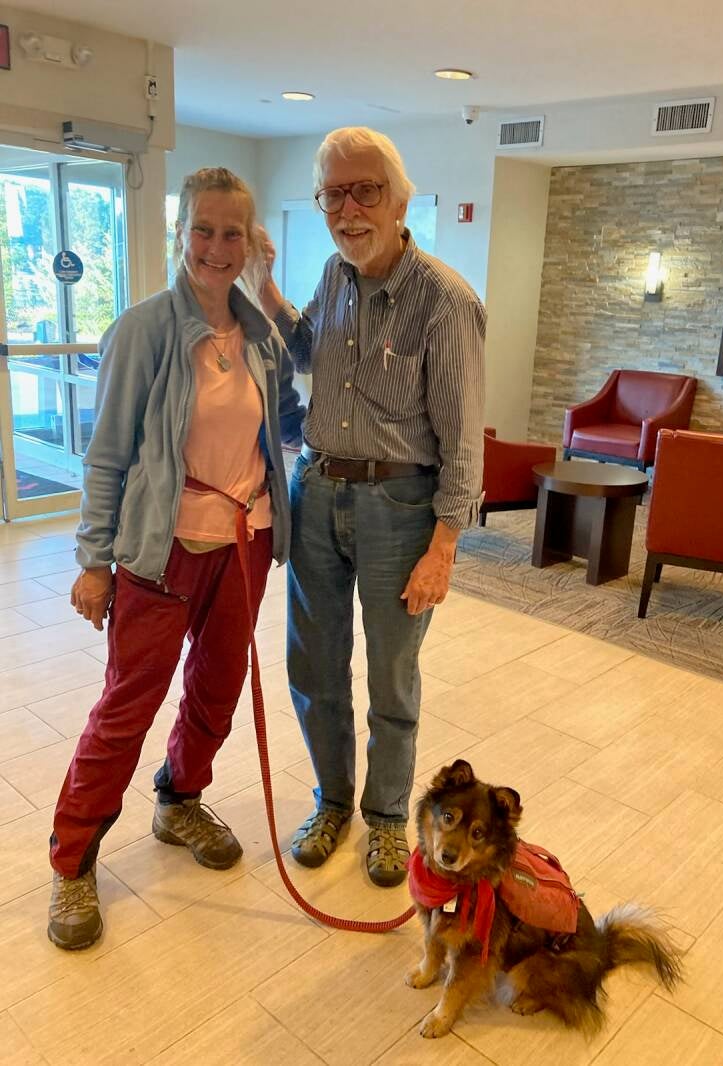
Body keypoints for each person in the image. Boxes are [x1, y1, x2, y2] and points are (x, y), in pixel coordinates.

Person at [47, 167, 305, 950]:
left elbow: (286, 423)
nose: (217, 247)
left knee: (217, 689)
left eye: (233, 234)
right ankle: (71, 860)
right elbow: (106, 456)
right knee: (128, 704)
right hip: (160, 550)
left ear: (251, 244)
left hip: (245, 541)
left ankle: (180, 800)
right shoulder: (143, 330)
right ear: (181, 233)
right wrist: (94, 560)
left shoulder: (260, 336)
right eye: (204, 230)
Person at [259, 127, 485, 887]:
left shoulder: (446, 302)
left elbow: (463, 442)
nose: (348, 210)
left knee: (391, 677)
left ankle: (387, 817)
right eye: (333, 194)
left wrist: (443, 547)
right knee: (313, 666)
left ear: (399, 202)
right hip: (317, 490)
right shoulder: (334, 274)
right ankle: (332, 801)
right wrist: (266, 289)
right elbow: (308, 355)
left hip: (401, 506)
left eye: (366, 191)